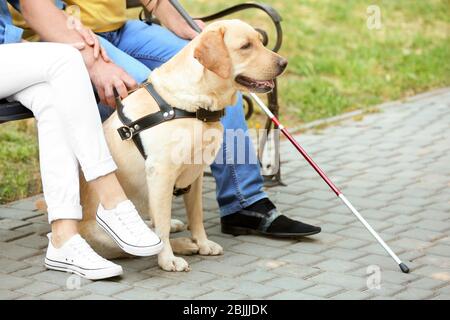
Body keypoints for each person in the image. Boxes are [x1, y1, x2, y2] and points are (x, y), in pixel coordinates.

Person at [14, 0, 322, 238]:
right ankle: (119, 207)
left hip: (120, 30)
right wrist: (92, 61)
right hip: (60, 38)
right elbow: (34, 7)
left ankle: (245, 202)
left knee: (222, 73)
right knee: (155, 94)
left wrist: (191, 31)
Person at [0, 0, 164, 280]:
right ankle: (112, 199)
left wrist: (70, 22)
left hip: (9, 51)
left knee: (52, 97)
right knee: (66, 59)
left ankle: (64, 238)